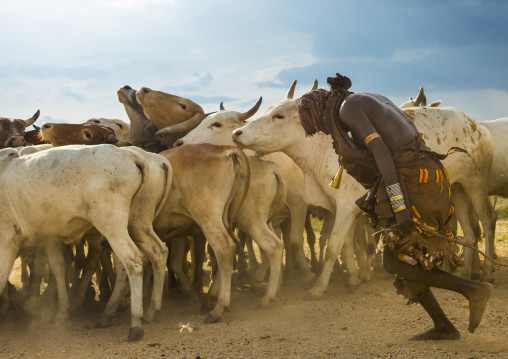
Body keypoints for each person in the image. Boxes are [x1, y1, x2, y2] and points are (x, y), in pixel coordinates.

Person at [297, 73, 493, 340]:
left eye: (318, 124)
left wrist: (400, 206)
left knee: (393, 260)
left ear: (319, 111)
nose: (323, 129)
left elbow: (382, 153)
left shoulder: (348, 109)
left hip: (412, 182)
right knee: (406, 257)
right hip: (422, 175)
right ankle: (444, 326)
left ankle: (472, 289)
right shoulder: (363, 99)